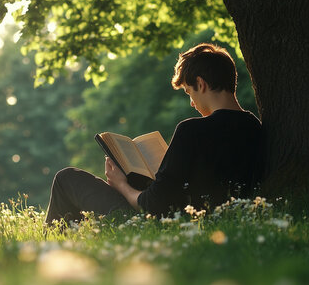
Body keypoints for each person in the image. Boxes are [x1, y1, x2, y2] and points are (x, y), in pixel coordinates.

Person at [45, 43, 262, 225]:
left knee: (66, 178)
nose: (192, 102)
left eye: (189, 92)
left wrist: (121, 184)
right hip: (196, 213)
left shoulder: (192, 130)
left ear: (201, 84)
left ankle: (48, 255)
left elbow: (154, 205)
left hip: (158, 220)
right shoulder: (255, 127)